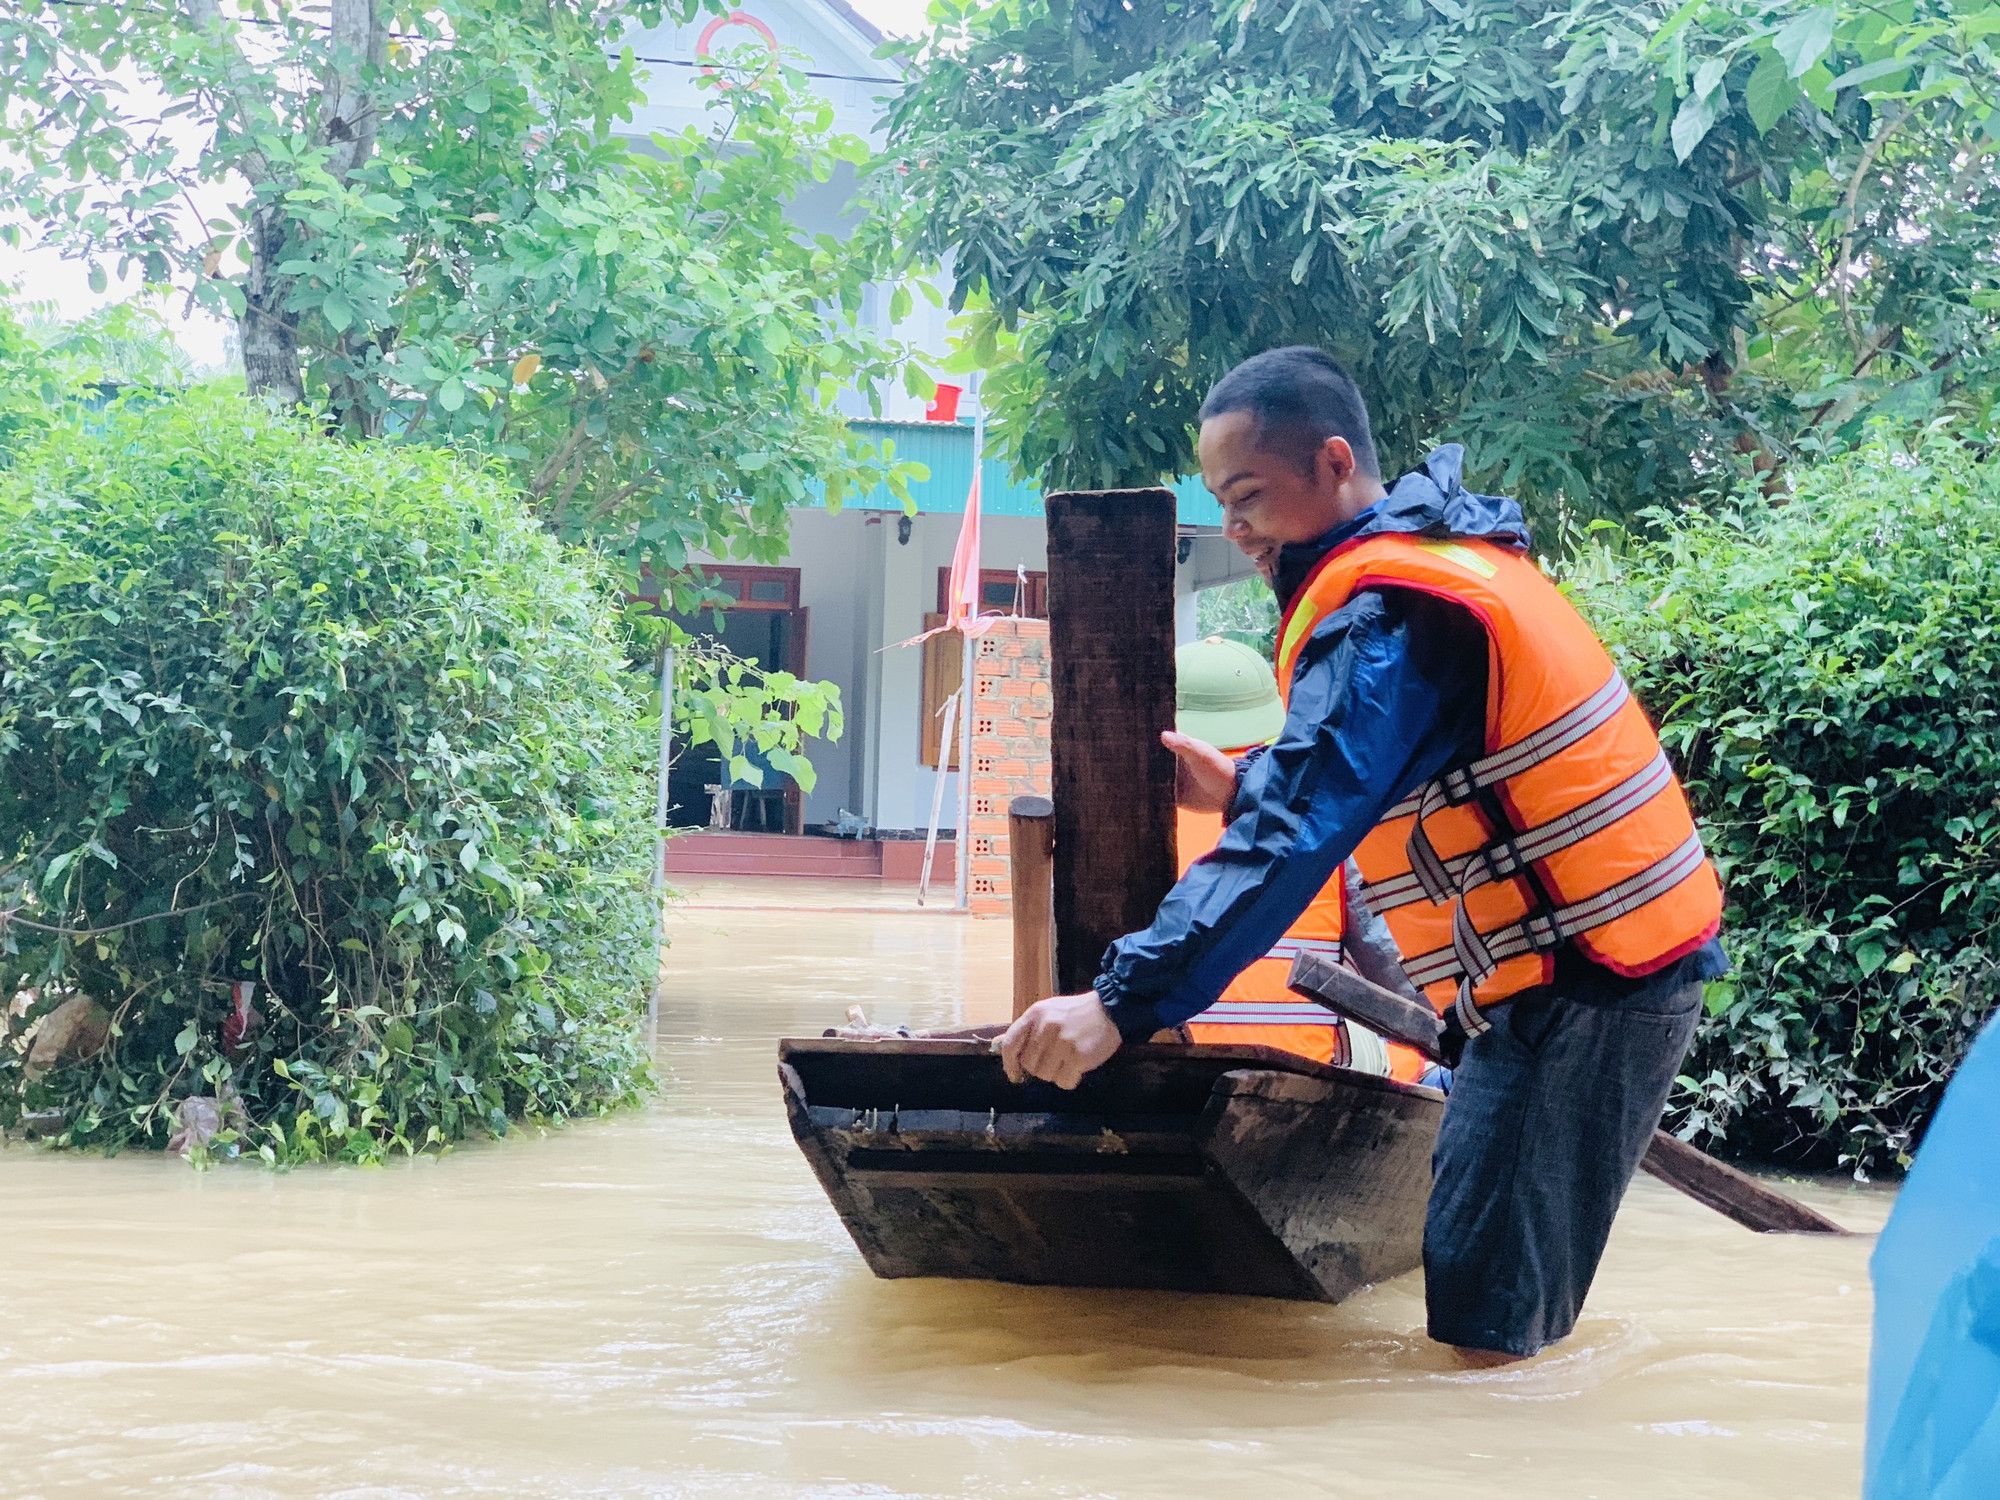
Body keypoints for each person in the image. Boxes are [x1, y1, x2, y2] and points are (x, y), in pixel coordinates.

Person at [999, 346, 1727, 1359]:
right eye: (1222, 503)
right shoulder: (1435, 566)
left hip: (1583, 987)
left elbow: (1295, 833)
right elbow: (1375, 776)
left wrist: (1118, 1003)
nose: (1235, 528)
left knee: (1483, 1318)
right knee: (1489, 1301)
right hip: (1576, 978)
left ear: (1334, 463)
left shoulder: (1390, 610)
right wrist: (1244, 784)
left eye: (1248, 496)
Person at [1169, 635, 1426, 1082]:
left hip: (1171, 1083)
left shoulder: (1130, 828)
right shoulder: (1328, 825)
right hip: (1300, 1094)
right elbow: (1401, 984)